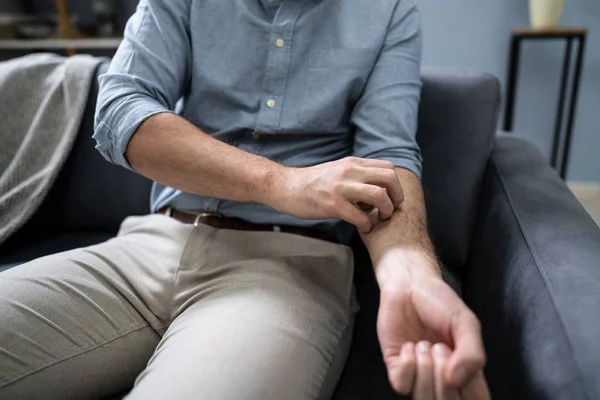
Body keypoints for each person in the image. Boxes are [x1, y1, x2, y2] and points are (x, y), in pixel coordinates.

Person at [0, 0, 491, 399]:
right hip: (144, 249)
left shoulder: (389, 11)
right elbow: (119, 110)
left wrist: (411, 278)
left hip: (290, 269)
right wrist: (284, 183)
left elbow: (390, 160)